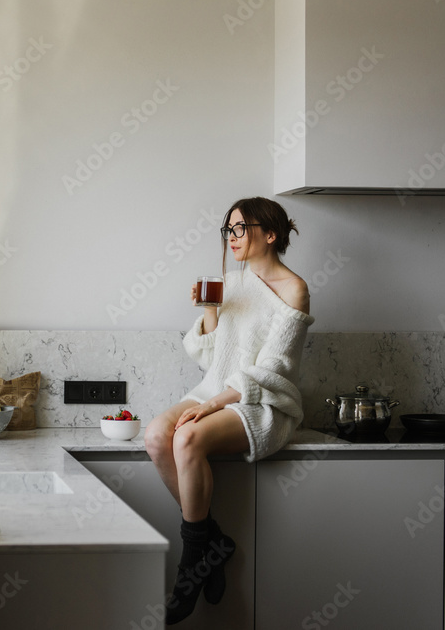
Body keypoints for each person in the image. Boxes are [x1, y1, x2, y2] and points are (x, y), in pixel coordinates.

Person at [145, 197, 313, 625]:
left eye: (240, 229)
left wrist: (219, 402)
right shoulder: (230, 282)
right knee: (155, 435)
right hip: (214, 389)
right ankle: (212, 542)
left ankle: (190, 566)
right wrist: (209, 309)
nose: (232, 238)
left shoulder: (295, 289)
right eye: (228, 231)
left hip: (261, 401)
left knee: (186, 437)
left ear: (269, 234)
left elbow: (275, 366)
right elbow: (212, 360)